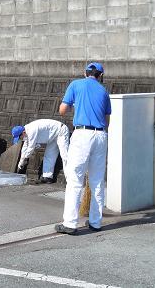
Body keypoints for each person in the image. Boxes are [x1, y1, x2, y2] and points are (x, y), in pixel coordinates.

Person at [55, 62, 111, 235]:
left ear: (85, 73)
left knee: (75, 180)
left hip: (82, 135)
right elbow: (107, 120)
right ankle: (95, 222)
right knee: (97, 181)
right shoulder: (104, 91)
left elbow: (62, 110)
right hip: (101, 136)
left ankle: (70, 224)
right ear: (100, 75)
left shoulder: (76, 84)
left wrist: (74, 104)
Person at [11, 119, 70, 183]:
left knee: (64, 156)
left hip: (61, 131)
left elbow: (31, 148)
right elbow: (25, 148)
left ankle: (70, 179)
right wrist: (20, 162)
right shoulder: (26, 133)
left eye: (19, 138)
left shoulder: (31, 131)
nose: (20, 139)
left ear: (23, 133)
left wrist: (25, 159)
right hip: (52, 136)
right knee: (49, 155)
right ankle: (47, 177)